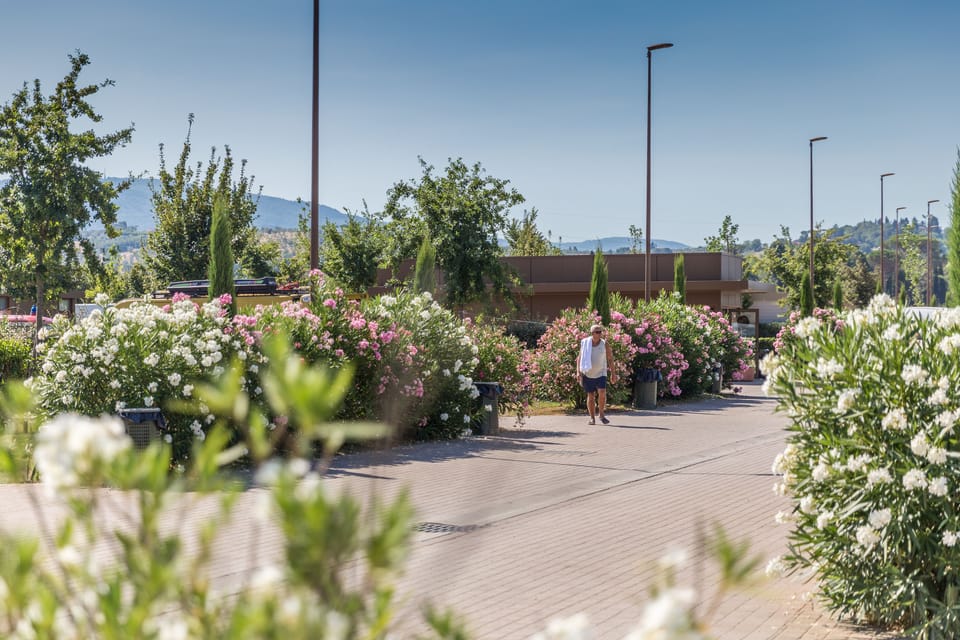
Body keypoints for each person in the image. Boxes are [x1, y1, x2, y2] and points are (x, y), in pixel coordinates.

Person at [577, 323, 615, 425]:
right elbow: (579, 358)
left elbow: (610, 359)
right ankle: (592, 418)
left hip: (601, 373)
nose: (600, 334)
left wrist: (613, 374)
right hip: (587, 373)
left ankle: (602, 415)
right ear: (592, 333)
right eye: (597, 332)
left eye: (600, 331)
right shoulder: (585, 343)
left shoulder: (604, 343)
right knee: (591, 395)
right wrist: (578, 372)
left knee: (602, 392)